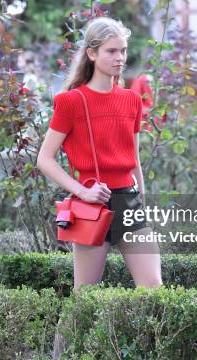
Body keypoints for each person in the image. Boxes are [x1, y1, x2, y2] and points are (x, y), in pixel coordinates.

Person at [37, 17, 163, 291]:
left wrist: (142, 199)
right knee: (85, 296)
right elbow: (44, 159)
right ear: (92, 54)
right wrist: (82, 192)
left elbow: (134, 158)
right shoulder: (70, 102)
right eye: (111, 51)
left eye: (123, 51)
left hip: (129, 203)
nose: (119, 58)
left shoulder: (131, 100)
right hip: (92, 204)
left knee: (153, 288)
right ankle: (63, 338)